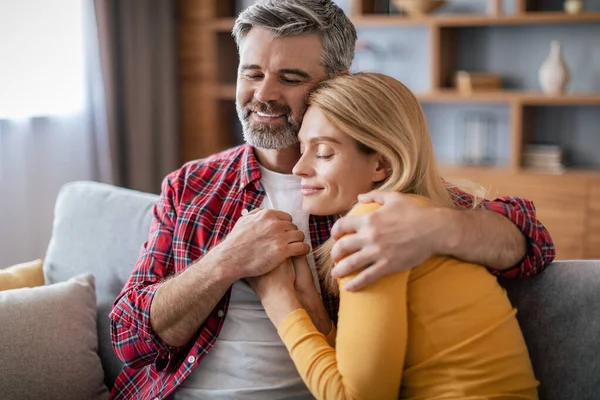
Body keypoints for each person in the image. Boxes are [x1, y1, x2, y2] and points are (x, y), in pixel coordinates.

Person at [109, 1, 553, 399]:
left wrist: (436, 228)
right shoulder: (193, 186)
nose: (263, 94)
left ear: (336, 83)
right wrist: (226, 261)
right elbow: (128, 337)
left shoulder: (374, 191)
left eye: (289, 77)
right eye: (252, 73)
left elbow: (532, 240)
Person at [250, 72, 539, 399]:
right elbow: (374, 373)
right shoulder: (413, 211)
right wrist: (315, 314)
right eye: (302, 148)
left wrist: (280, 304)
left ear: (382, 164)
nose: (299, 167)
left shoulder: (375, 225)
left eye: (324, 152)